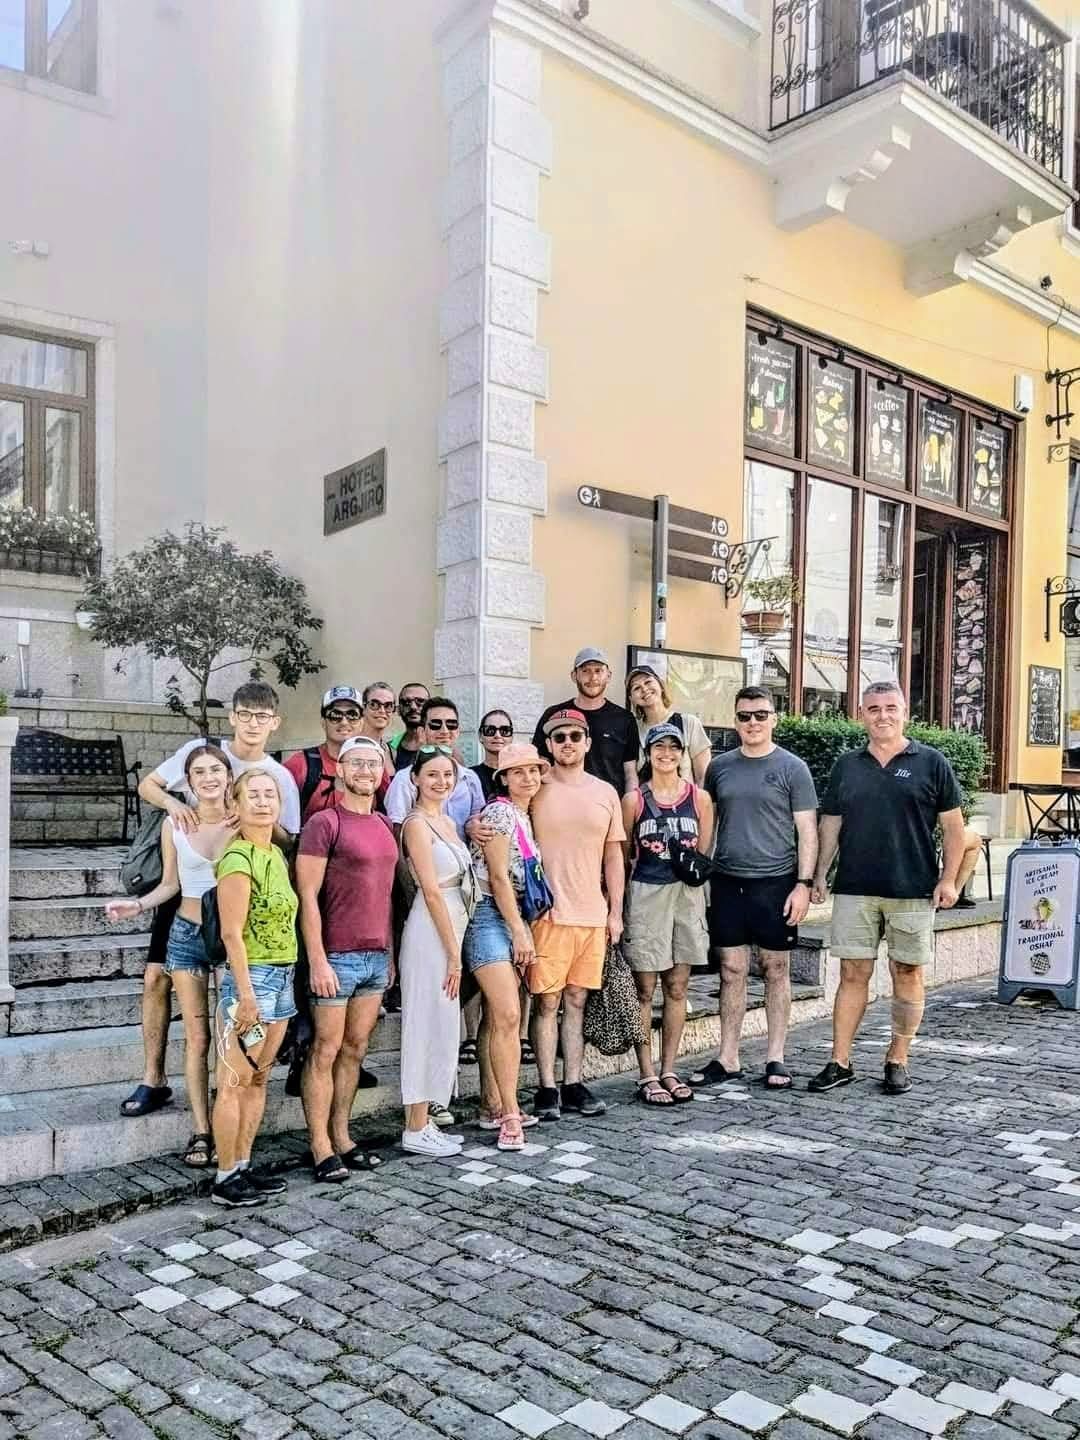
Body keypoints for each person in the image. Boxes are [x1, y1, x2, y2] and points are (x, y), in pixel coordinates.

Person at [121, 682, 301, 1120]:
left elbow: (287, 840)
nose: (253, 723)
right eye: (246, 714)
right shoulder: (201, 753)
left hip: (235, 891)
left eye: (262, 716)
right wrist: (174, 806)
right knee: (155, 978)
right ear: (233, 717)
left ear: (274, 722)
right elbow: (149, 785)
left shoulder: (277, 776)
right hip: (188, 886)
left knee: (230, 1009)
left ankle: (228, 1106)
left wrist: (256, 817)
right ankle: (153, 1078)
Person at [809, 680, 964, 1097]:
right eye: (874, 708)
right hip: (855, 887)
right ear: (862, 714)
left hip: (912, 888)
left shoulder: (932, 762)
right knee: (852, 973)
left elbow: (954, 828)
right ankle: (840, 1061)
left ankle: (898, 1059)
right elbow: (831, 823)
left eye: (891, 707)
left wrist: (949, 879)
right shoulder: (847, 765)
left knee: (907, 973)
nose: (883, 715)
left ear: (905, 713)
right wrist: (820, 873)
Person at [106, 745, 235, 1165]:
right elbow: (170, 885)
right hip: (185, 935)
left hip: (231, 939)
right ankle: (201, 1131)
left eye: (216, 770)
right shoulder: (175, 824)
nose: (209, 778)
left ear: (228, 776)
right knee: (197, 1039)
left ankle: (229, 1127)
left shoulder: (243, 822)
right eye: (200, 772)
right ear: (189, 782)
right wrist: (137, 905)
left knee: (228, 1039)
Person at [695, 687, 818, 1090]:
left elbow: (807, 831)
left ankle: (775, 1057)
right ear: (735, 721)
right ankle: (727, 1057)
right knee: (731, 970)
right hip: (728, 881)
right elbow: (709, 825)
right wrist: (701, 877)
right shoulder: (720, 768)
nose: (753, 723)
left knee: (775, 968)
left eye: (761, 715)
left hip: (776, 882)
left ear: (773, 719)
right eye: (745, 716)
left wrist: (803, 885)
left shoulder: (793, 768)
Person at [297, 736, 396, 1181]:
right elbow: (307, 895)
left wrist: (390, 953)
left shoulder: (384, 823)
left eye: (372, 764)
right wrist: (317, 959)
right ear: (340, 769)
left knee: (355, 1049)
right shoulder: (324, 823)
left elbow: (388, 896)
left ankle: (342, 1135)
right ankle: (319, 1144)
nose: (364, 771)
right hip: (336, 955)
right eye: (356, 763)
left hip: (375, 956)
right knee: (325, 1049)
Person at [529, 708, 625, 1121]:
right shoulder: (535, 787)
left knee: (577, 999)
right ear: (549, 745)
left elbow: (613, 856)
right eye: (559, 737)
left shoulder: (605, 792)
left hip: (591, 914)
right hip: (548, 915)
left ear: (587, 742)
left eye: (574, 736)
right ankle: (546, 1086)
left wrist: (615, 912)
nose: (567, 743)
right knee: (547, 1002)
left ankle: (573, 1082)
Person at [211, 769, 298, 1207]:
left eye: (270, 795)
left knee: (259, 1077)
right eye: (253, 796)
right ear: (236, 805)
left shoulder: (275, 855)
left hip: (283, 976)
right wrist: (245, 995)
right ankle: (225, 1175)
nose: (263, 803)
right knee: (234, 1079)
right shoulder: (237, 858)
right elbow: (231, 933)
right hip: (253, 979)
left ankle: (244, 1163)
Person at [622, 724, 713, 1106]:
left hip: (686, 896)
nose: (667, 754)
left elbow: (702, 851)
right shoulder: (634, 800)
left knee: (677, 987)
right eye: (659, 747)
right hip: (647, 894)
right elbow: (624, 854)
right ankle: (646, 1072)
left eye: (674, 747)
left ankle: (670, 1068)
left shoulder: (700, 798)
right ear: (648, 752)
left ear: (682, 753)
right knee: (645, 989)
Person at [465, 743, 549, 1149]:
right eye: (518, 772)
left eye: (533, 770)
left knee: (497, 1017)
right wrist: (518, 930)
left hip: (509, 913)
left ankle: (493, 1104)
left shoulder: (524, 815)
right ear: (504, 778)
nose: (528, 778)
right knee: (509, 1014)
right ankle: (510, 1114)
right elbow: (497, 877)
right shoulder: (500, 814)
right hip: (490, 914)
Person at [398, 747, 476, 1157]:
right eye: (432, 774)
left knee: (443, 1025)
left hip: (453, 925)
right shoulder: (416, 824)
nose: (441, 781)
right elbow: (430, 890)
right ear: (416, 778)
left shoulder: (447, 821)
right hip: (432, 930)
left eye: (448, 774)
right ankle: (413, 1126)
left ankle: (428, 1115)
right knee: (424, 1024)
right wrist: (453, 954)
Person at [533, 647, 639, 796]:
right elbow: (540, 763)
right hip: (561, 801)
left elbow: (630, 772)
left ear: (608, 676)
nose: (593, 677)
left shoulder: (625, 719)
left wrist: (631, 802)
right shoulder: (554, 716)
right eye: (585, 671)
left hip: (608, 804)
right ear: (574, 676)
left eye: (598, 671)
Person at [385, 697, 486, 841]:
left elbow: (476, 817)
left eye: (451, 725)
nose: (444, 730)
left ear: (458, 731)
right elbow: (397, 832)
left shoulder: (470, 778)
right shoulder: (405, 779)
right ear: (422, 732)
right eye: (435, 725)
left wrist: (471, 826)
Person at [283, 685, 363, 822]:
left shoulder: (373, 765)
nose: (344, 722)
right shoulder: (300, 764)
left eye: (352, 715)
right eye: (335, 715)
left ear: (361, 723)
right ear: (323, 722)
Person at [625, 665, 712, 784]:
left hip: (685, 795)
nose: (644, 689)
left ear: (661, 685)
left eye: (648, 682)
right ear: (631, 698)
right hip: (645, 796)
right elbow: (630, 775)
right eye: (636, 688)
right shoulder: (632, 728)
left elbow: (703, 776)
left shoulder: (688, 723)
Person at [357, 680, 398, 785]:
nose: (382, 711)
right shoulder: (353, 746)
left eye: (388, 706)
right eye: (374, 704)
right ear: (363, 708)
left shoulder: (390, 750)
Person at [473, 709, 515, 800]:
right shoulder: (470, 776)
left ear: (511, 737)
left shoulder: (521, 774)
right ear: (480, 736)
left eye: (505, 731)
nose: (497, 735)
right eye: (490, 730)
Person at [391, 683, 430, 772]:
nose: (413, 707)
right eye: (406, 702)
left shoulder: (442, 746)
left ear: (430, 708)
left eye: (420, 701)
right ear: (398, 710)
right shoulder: (389, 749)